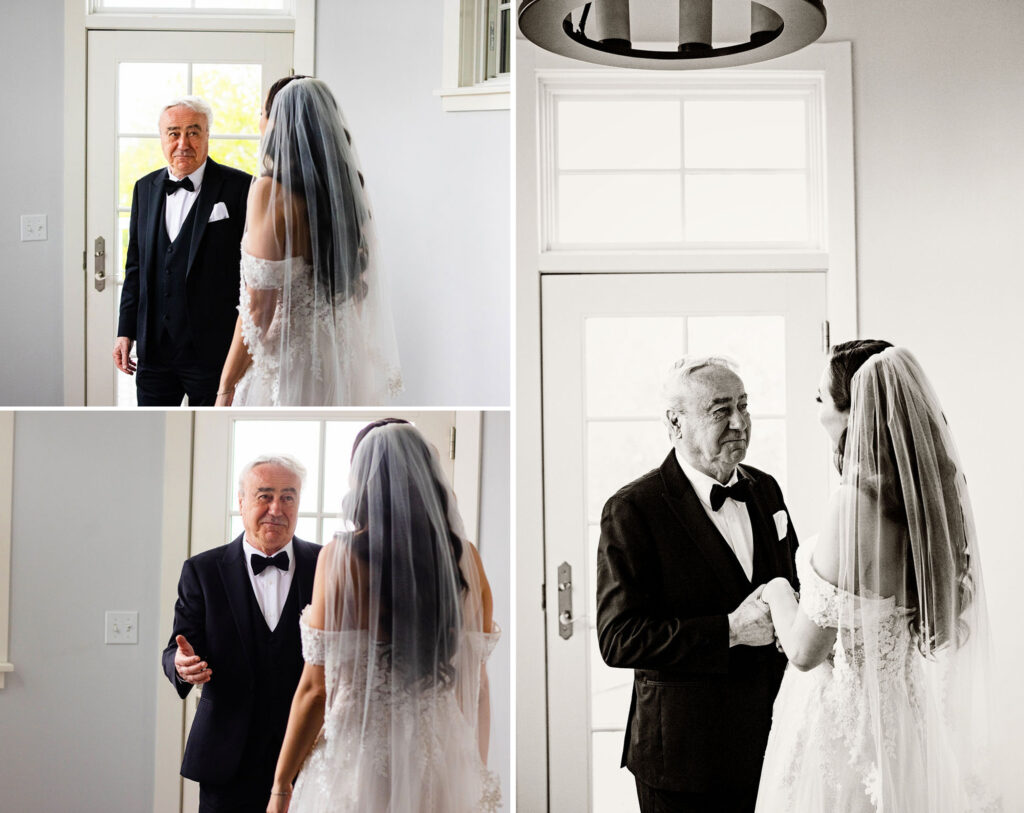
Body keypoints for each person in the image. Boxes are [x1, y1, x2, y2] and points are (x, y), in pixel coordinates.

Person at [756, 342, 1001, 811]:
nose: (817, 411)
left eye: (821, 399)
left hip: (845, 731)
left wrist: (778, 590)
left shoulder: (852, 506)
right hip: (904, 721)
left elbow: (807, 651)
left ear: (853, 413)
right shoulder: (925, 505)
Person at [596, 356, 799, 812]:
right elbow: (619, 639)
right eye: (720, 409)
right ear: (675, 423)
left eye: (744, 406)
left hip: (774, 740)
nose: (739, 422)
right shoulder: (633, 509)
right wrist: (729, 630)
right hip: (684, 758)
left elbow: (790, 582)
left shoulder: (765, 490)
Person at [266, 419, 501, 813]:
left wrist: (280, 785)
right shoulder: (466, 558)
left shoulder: (339, 558)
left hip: (360, 757)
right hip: (437, 755)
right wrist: (472, 769)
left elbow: (315, 690)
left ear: (362, 481)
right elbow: (476, 684)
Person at [215, 77, 401, 406]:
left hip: (290, 362)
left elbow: (259, 308)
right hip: (340, 356)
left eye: (263, 113)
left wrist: (226, 385)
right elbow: (355, 283)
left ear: (278, 123)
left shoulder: (269, 192)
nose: (260, 121)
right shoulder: (348, 186)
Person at [162, 455, 321, 812]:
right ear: (242, 501)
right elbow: (176, 647)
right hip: (225, 756)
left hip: (308, 755)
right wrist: (181, 664)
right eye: (264, 495)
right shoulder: (202, 569)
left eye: (288, 497)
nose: (276, 509)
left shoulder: (327, 564)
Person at [114, 96, 251, 406]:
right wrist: (126, 331)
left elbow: (252, 274)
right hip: (154, 353)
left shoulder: (241, 188)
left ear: (207, 135)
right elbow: (134, 267)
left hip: (213, 350)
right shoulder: (144, 188)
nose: (183, 143)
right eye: (173, 132)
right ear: (162, 137)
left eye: (193, 131)